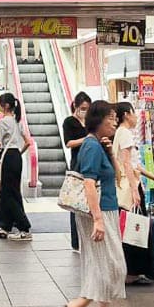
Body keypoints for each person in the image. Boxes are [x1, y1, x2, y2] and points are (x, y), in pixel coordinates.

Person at [63, 101, 130, 307]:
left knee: (103, 264)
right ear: (98, 120)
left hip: (107, 210)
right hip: (99, 213)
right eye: (111, 118)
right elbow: (89, 184)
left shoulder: (100, 145)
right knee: (113, 266)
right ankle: (78, 305)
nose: (115, 122)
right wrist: (98, 220)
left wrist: (110, 151)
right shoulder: (90, 146)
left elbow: (118, 175)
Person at [113, 101, 154, 285]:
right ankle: (133, 271)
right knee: (134, 229)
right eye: (134, 113)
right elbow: (128, 164)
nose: (136, 117)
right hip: (130, 190)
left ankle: (131, 270)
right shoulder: (125, 133)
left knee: (130, 228)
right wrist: (135, 191)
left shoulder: (119, 133)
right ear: (127, 114)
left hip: (126, 187)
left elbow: (135, 165)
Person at [0, 93, 33, 241]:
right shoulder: (17, 122)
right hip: (17, 157)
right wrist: (18, 153)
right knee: (8, 191)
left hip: (8, 158)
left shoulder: (3, 122)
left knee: (9, 193)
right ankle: (3, 224)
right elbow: (28, 142)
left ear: (5, 106)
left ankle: (24, 227)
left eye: (0, 104)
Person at [63, 92, 92, 252]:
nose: (85, 111)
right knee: (76, 202)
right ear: (75, 106)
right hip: (77, 164)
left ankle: (88, 239)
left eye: (87, 108)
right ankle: (76, 241)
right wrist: (86, 139)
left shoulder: (89, 122)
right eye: (83, 108)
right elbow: (68, 143)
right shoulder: (69, 122)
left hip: (90, 163)